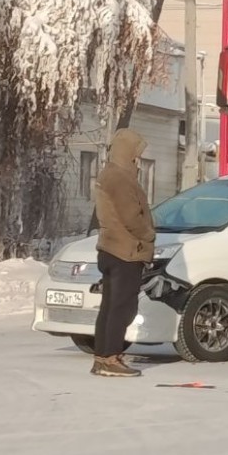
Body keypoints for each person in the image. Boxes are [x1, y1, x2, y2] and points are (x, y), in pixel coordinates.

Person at [91, 128, 156, 378]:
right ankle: (110, 358)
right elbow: (131, 216)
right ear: (127, 152)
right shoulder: (119, 178)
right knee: (122, 308)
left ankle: (102, 357)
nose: (138, 159)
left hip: (111, 248)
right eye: (136, 153)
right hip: (125, 251)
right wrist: (148, 235)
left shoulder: (111, 174)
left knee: (110, 306)